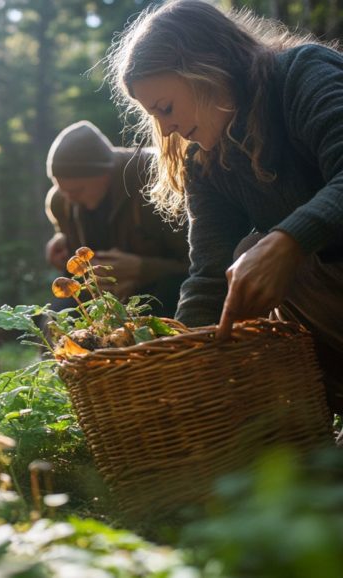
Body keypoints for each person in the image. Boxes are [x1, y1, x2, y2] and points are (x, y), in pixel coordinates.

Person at [108, 0, 343, 410]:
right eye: (154, 117)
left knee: (256, 253)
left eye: (166, 108)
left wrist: (289, 242)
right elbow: (210, 277)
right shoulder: (208, 161)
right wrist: (179, 357)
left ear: (208, 66)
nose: (166, 128)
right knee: (242, 258)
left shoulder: (302, 75)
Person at [45, 120, 189, 316]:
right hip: (101, 297)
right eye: (63, 191)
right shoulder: (62, 202)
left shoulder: (154, 182)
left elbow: (198, 267)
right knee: (55, 319)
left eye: (77, 191)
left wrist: (142, 269)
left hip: (160, 294)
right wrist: (62, 244)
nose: (70, 199)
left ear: (105, 174)